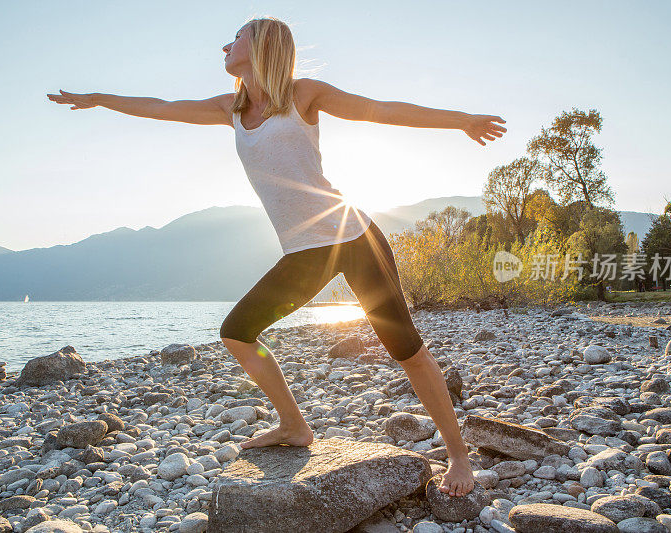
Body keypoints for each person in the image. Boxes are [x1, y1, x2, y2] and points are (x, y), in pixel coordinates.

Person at [47, 16, 506, 498]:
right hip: (305, 251)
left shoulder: (302, 94)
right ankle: (294, 426)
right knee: (237, 332)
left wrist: (462, 121)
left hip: (353, 237)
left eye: (236, 36)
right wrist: (99, 99)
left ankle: (458, 455)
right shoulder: (231, 107)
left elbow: (382, 110)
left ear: (262, 43)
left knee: (405, 348)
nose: (226, 44)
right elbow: (160, 106)